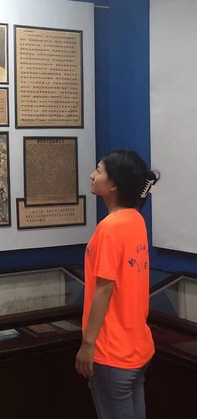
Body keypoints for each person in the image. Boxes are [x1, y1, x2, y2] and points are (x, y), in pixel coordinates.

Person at [75, 150, 160, 419]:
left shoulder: (110, 227)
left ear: (113, 185)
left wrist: (88, 344)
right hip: (137, 346)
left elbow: (104, 288)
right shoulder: (135, 219)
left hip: (112, 350)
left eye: (99, 171)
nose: (92, 175)